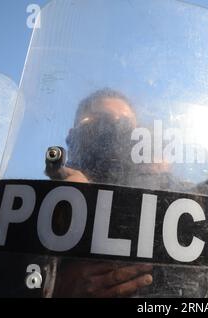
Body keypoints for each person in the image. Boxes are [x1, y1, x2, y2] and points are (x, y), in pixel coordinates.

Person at [48, 88, 154, 297]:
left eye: (124, 124)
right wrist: (57, 283)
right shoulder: (48, 195)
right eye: (101, 120)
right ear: (72, 135)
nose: (114, 129)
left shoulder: (157, 187)